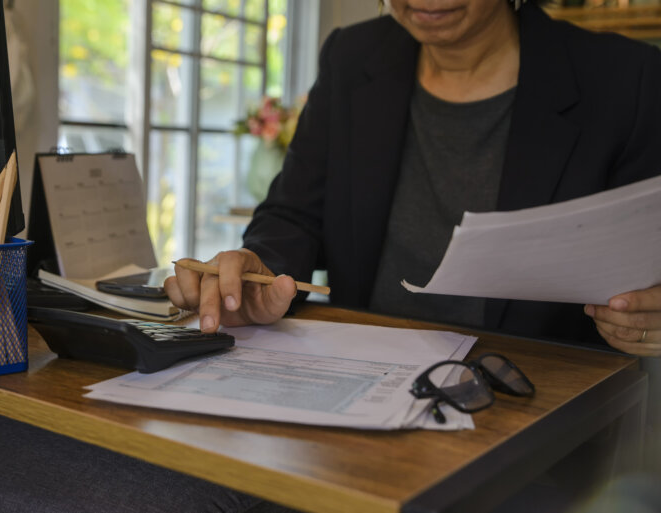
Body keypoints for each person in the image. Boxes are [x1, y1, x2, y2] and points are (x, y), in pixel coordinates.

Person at [166, 0, 661, 358]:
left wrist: (645, 314)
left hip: (536, 393)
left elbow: (646, 256)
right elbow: (295, 212)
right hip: (362, 369)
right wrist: (260, 273)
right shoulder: (352, 56)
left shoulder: (624, 79)